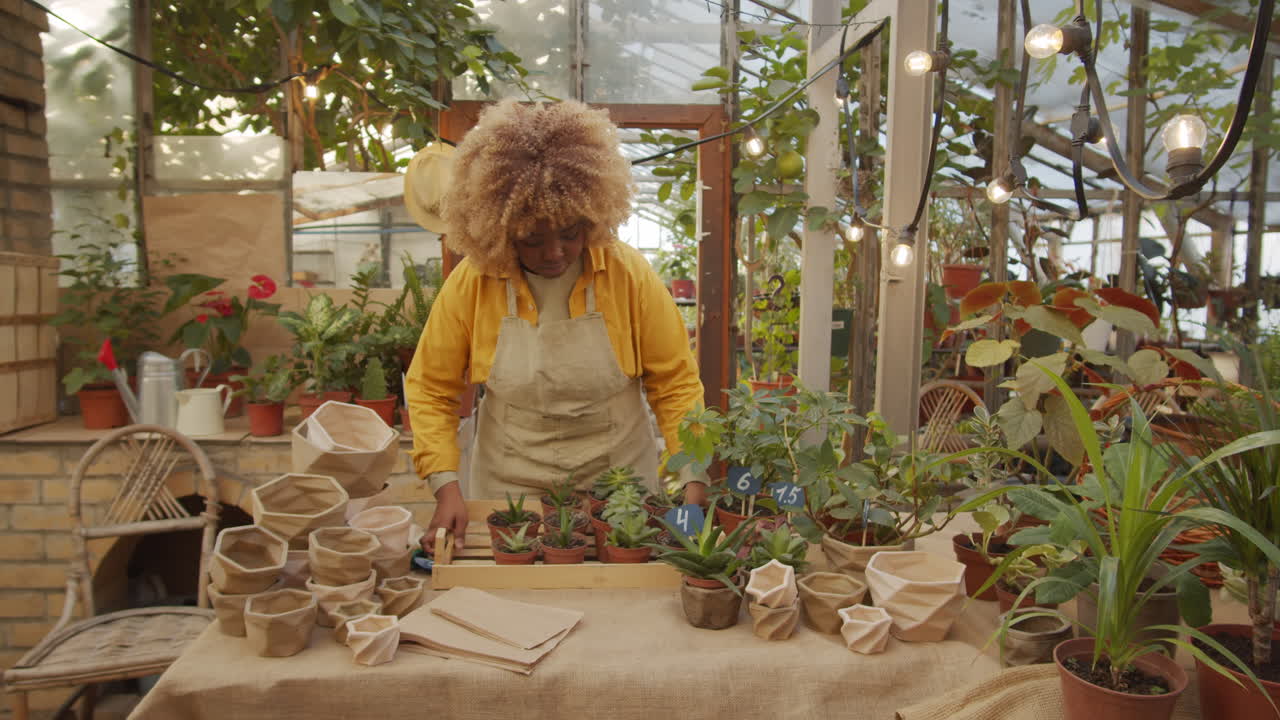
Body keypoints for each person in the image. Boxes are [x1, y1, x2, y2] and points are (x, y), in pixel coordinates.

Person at [403, 99, 708, 550]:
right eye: (532, 239)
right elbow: (431, 388)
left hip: (618, 477)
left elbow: (675, 384)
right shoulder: (473, 281)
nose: (554, 253)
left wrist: (692, 477)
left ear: (593, 215)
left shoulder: (628, 275)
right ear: (500, 231)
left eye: (570, 233)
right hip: (510, 479)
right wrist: (445, 485)